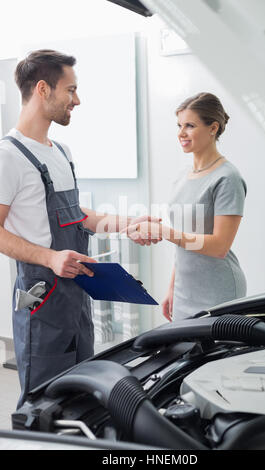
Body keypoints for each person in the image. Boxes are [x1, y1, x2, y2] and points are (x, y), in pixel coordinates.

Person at [0, 49, 160, 407]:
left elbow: (75, 214)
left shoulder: (60, 150)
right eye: (70, 90)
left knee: (81, 396)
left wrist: (127, 224)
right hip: (41, 302)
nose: (78, 100)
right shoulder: (7, 156)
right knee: (44, 404)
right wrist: (50, 257)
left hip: (77, 297)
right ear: (43, 89)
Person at [125, 92, 247, 321]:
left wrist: (164, 232)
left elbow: (219, 246)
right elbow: (184, 243)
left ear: (213, 128)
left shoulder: (227, 178)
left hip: (219, 291)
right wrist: (173, 287)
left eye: (190, 125)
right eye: (179, 125)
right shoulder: (183, 176)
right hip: (185, 290)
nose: (181, 133)